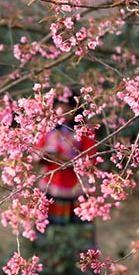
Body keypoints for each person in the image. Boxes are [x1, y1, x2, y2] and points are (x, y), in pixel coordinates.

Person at [35, 94, 96, 226]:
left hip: (76, 187)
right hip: (51, 185)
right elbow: (36, 153)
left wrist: (66, 159)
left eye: (66, 111)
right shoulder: (48, 129)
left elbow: (90, 160)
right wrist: (45, 155)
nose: (62, 116)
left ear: (75, 111)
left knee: (77, 228)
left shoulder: (84, 131)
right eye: (59, 111)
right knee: (48, 225)